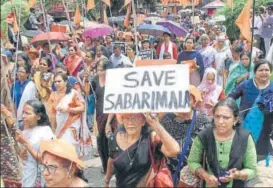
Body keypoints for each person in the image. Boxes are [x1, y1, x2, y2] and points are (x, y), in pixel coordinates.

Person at [188, 98, 257, 187]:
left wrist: (237, 174)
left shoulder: (245, 138)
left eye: (226, 117)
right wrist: (206, 176)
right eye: (217, 116)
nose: (220, 121)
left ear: (235, 120)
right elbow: (192, 162)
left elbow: (252, 169)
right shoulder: (203, 136)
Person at [105, 113, 180, 187]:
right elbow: (111, 160)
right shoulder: (114, 138)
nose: (130, 123)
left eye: (135, 118)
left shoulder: (151, 138)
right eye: (126, 118)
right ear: (121, 119)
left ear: (143, 121)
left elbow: (174, 150)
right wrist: (107, 181)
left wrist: (155, 124)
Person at [160, 85, 211, 176]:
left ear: (194, 101)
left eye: (187, 99)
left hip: (193, 174)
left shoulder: (204, 121)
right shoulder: (166, 120)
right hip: (168, 173)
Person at [48, 73, 92, 156]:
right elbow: (52, 114)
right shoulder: (53, 95)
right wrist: (53, 130)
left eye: (59, 81)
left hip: (71, 126)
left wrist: (68, 109)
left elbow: (82, 108)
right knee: (61, 152)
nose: (57, 83)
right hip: (59, 126)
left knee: (69, 149)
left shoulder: (73, 93)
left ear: (65, 82)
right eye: (55, 82)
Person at [15, 100, 55, 187]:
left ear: (38, 116)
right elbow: (24, 156)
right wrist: (21, 152)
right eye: (23, 113)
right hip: (27, 176)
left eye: (27, 113)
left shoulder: (45, 132)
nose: (23, 116)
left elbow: (44, 160)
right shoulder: (25, 131)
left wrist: (25, 142)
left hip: (40, 177)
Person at [90, 60, 117, 174]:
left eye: (102, 70)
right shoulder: (95, 80)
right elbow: (87, 92)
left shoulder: (113, 82)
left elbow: (114, 103)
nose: (99, 72)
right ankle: (105, 167)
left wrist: (108, 123)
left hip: (110, 116)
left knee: (110, 143)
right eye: (98, 69)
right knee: (100, 143)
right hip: (99, 114)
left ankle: (113, 168)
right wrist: (86, 79)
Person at [0, 104, 21, 187]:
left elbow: (14, 130)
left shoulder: (3, 110)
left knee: (11, 179)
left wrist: (6, 112)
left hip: (5, 152)